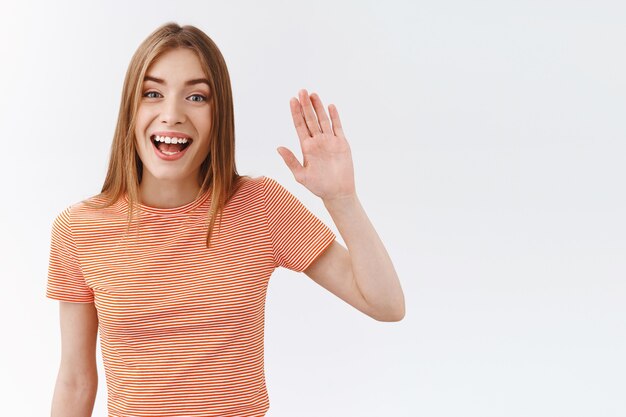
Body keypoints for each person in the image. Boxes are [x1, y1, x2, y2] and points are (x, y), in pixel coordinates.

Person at [46, 22, 405, 417]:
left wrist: (342, 199)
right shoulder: (77, 230)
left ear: (219, 116)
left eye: (196, 96)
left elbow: (386, 304)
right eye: (152, 93)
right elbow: (76, 379)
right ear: (130, 109)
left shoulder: (261, 207)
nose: (172, 114)